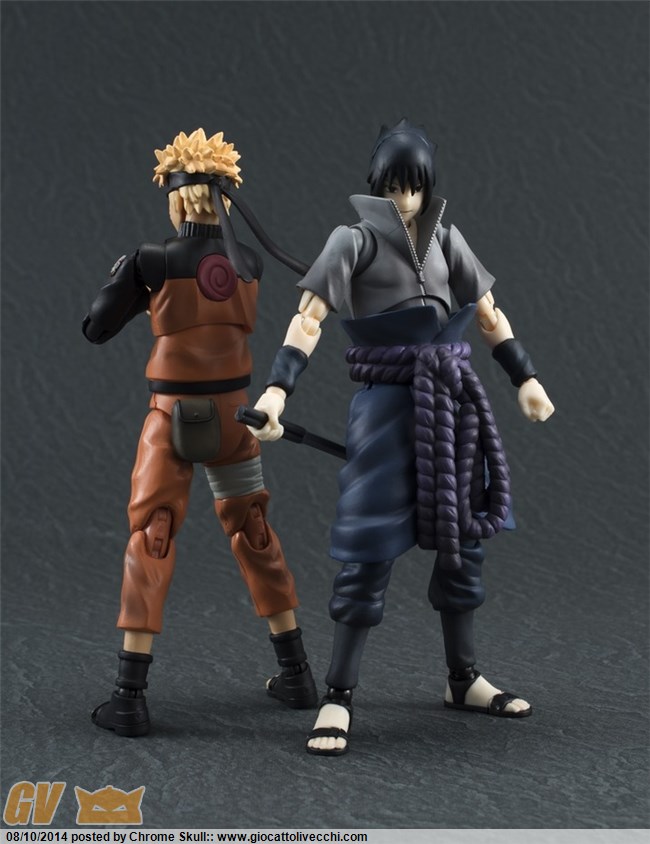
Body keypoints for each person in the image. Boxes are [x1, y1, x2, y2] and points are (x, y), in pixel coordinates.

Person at [250, 119, 554, 756]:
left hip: (452, 403)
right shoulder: (352, 241)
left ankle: (463, 678)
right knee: (367, 551)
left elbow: (489, 313)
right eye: (394, 187)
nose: (406, 199)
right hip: (387, 409)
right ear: (378, 184)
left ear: (428, 186)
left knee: (464, 542)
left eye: (414, 187)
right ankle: (339, 693)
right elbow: (308, 319)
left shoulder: (447, 239)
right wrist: (277, 391)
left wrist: (524, 376)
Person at [83, 129, 317, 737]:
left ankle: (129, 698)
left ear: (177, 196)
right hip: (234, 418)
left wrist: (132, 283)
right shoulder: (250, 264)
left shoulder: (153, 259)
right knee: (255, 530)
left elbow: (96, 327)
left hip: (170, 419)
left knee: (153, 535)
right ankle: (297, 674)